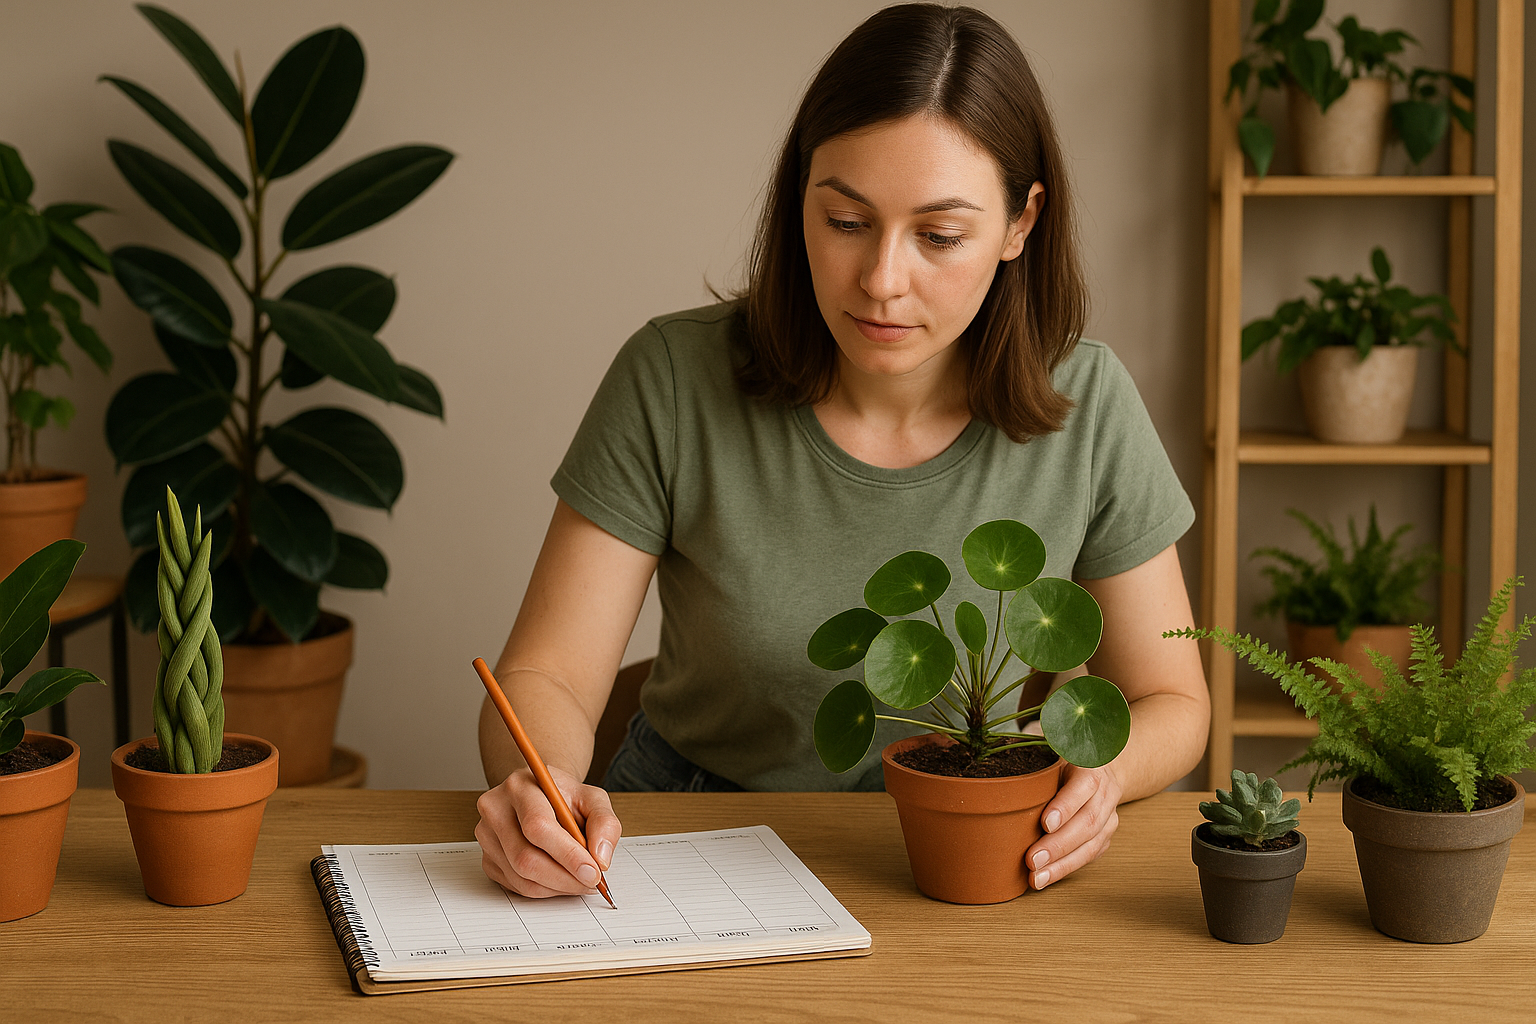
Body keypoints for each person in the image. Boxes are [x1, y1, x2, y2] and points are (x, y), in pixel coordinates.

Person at [476, 3, 1208, 900]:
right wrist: (538, 788)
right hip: (673, 839)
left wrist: (1104, 781)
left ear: (1022, 223)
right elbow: (546, 673)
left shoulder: (1090, 404)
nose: (882, 281)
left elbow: (1172, 701)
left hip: (966, 851)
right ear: (799, 198)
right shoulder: (671, 376)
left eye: (939, 236)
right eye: (846, 220)